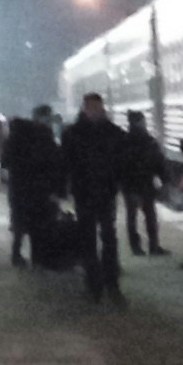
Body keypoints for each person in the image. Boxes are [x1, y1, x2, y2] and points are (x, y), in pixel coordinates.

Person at [61, 92, 146, 303]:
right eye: (91, 108)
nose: (95, 112)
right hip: (84, 193)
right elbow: (65, 164)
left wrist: (129, 186)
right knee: (89, 239)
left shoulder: (111, 133)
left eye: (97, 108)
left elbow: (126, 164)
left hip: (106, 192)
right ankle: (94, 285)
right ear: (85, 109)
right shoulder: (74, 134)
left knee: (109, 239)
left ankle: (111, 284)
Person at [1, 103, 60, 264]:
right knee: (38, 221)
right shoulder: (45, 135)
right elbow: (54, 161)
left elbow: (4, 162)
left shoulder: (15, 135)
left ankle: (16, 254)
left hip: (18, 186)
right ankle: (38, 257)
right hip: (39, 187)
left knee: (19, 221)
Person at [120, 111, 167, 257]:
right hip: (145, 182)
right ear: (141, 122)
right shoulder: (148, 140)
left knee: (132, 216)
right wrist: (165, 179)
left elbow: (118, 164)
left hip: (129, 184)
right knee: (150, 215)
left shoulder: (124, 141)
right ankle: (154, 246)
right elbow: (158, 161)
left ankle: (136, 248)